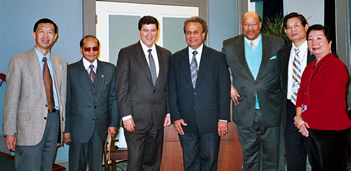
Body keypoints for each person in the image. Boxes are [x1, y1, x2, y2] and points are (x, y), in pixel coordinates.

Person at [222, 11, 284, 170]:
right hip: (245, 111)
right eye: (246, 24)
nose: (250, 28)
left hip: (271, 110)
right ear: (241, 25)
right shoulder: (229, 45)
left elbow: (284, 73)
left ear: (260, 25)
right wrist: (227, 85)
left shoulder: (277, 43)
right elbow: (219, 70)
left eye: (254, 24)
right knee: (249, 159)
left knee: (272, 159)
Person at [3, 18, 67, 170]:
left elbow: (62, 97)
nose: (46, 35)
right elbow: (11, 99)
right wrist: (10, 131)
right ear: (34, 34)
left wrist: (60, 131)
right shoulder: (19, 61)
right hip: (28, 126)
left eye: (50, 32)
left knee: (47, 167)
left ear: (55, 37)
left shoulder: (61, 64)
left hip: (53, 123)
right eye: (42, 31)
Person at [168, 16, 231, 171]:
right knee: (190, 164)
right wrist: (175, 117)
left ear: (203, 34)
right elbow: (171, 89)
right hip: (185, 122)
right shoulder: (175, 59)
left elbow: (224, 89)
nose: (192, 36)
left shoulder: (217, 58)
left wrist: (223, 118)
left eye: (196, 32)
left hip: (211, 122)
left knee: (209, 163)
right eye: (188, 33)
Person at [115, 15, 172, 171]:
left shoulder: (166, 54)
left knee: (153, 162)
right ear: (139, 31)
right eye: (146, 30)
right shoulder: (127, 53)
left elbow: (167, 86)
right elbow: (121, 87)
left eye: (153, 30)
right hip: (135, 119)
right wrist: (126, 116)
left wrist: (168, 112)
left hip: (157, 118)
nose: (149, 34)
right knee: (135, 161)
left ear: (157, 32)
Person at [294, 24, 351, 171]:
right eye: (310, 39)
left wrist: (302, 119)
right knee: (317, 167)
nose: (314, 43)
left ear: (330, 42)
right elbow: (301, 93)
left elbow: (326, 100)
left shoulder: (336, 66)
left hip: (332, 130)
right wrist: (298, 116)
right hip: (313, 128)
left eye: (319, 38)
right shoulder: (309, 67)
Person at [63, 35, 118, 170]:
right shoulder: (70, 70)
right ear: (81, 50)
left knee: (97, 167)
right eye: (87, 48)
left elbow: (114, 99)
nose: (91, 51)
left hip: (100, 129)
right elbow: (67, 101)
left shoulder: (110, 69)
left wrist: (113, 123)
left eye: (95, 48)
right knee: (76, 167)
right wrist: (66, 130)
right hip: (77, 130)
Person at [277, 12, 314, 171]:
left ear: (306, 27)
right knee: (294, 159)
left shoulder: (318, 51)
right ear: (286, 32)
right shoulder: (282, 54)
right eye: (289, 27)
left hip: (314, 111)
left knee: (317, 157)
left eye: (297, 25)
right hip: (290, 110)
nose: (293, 30)